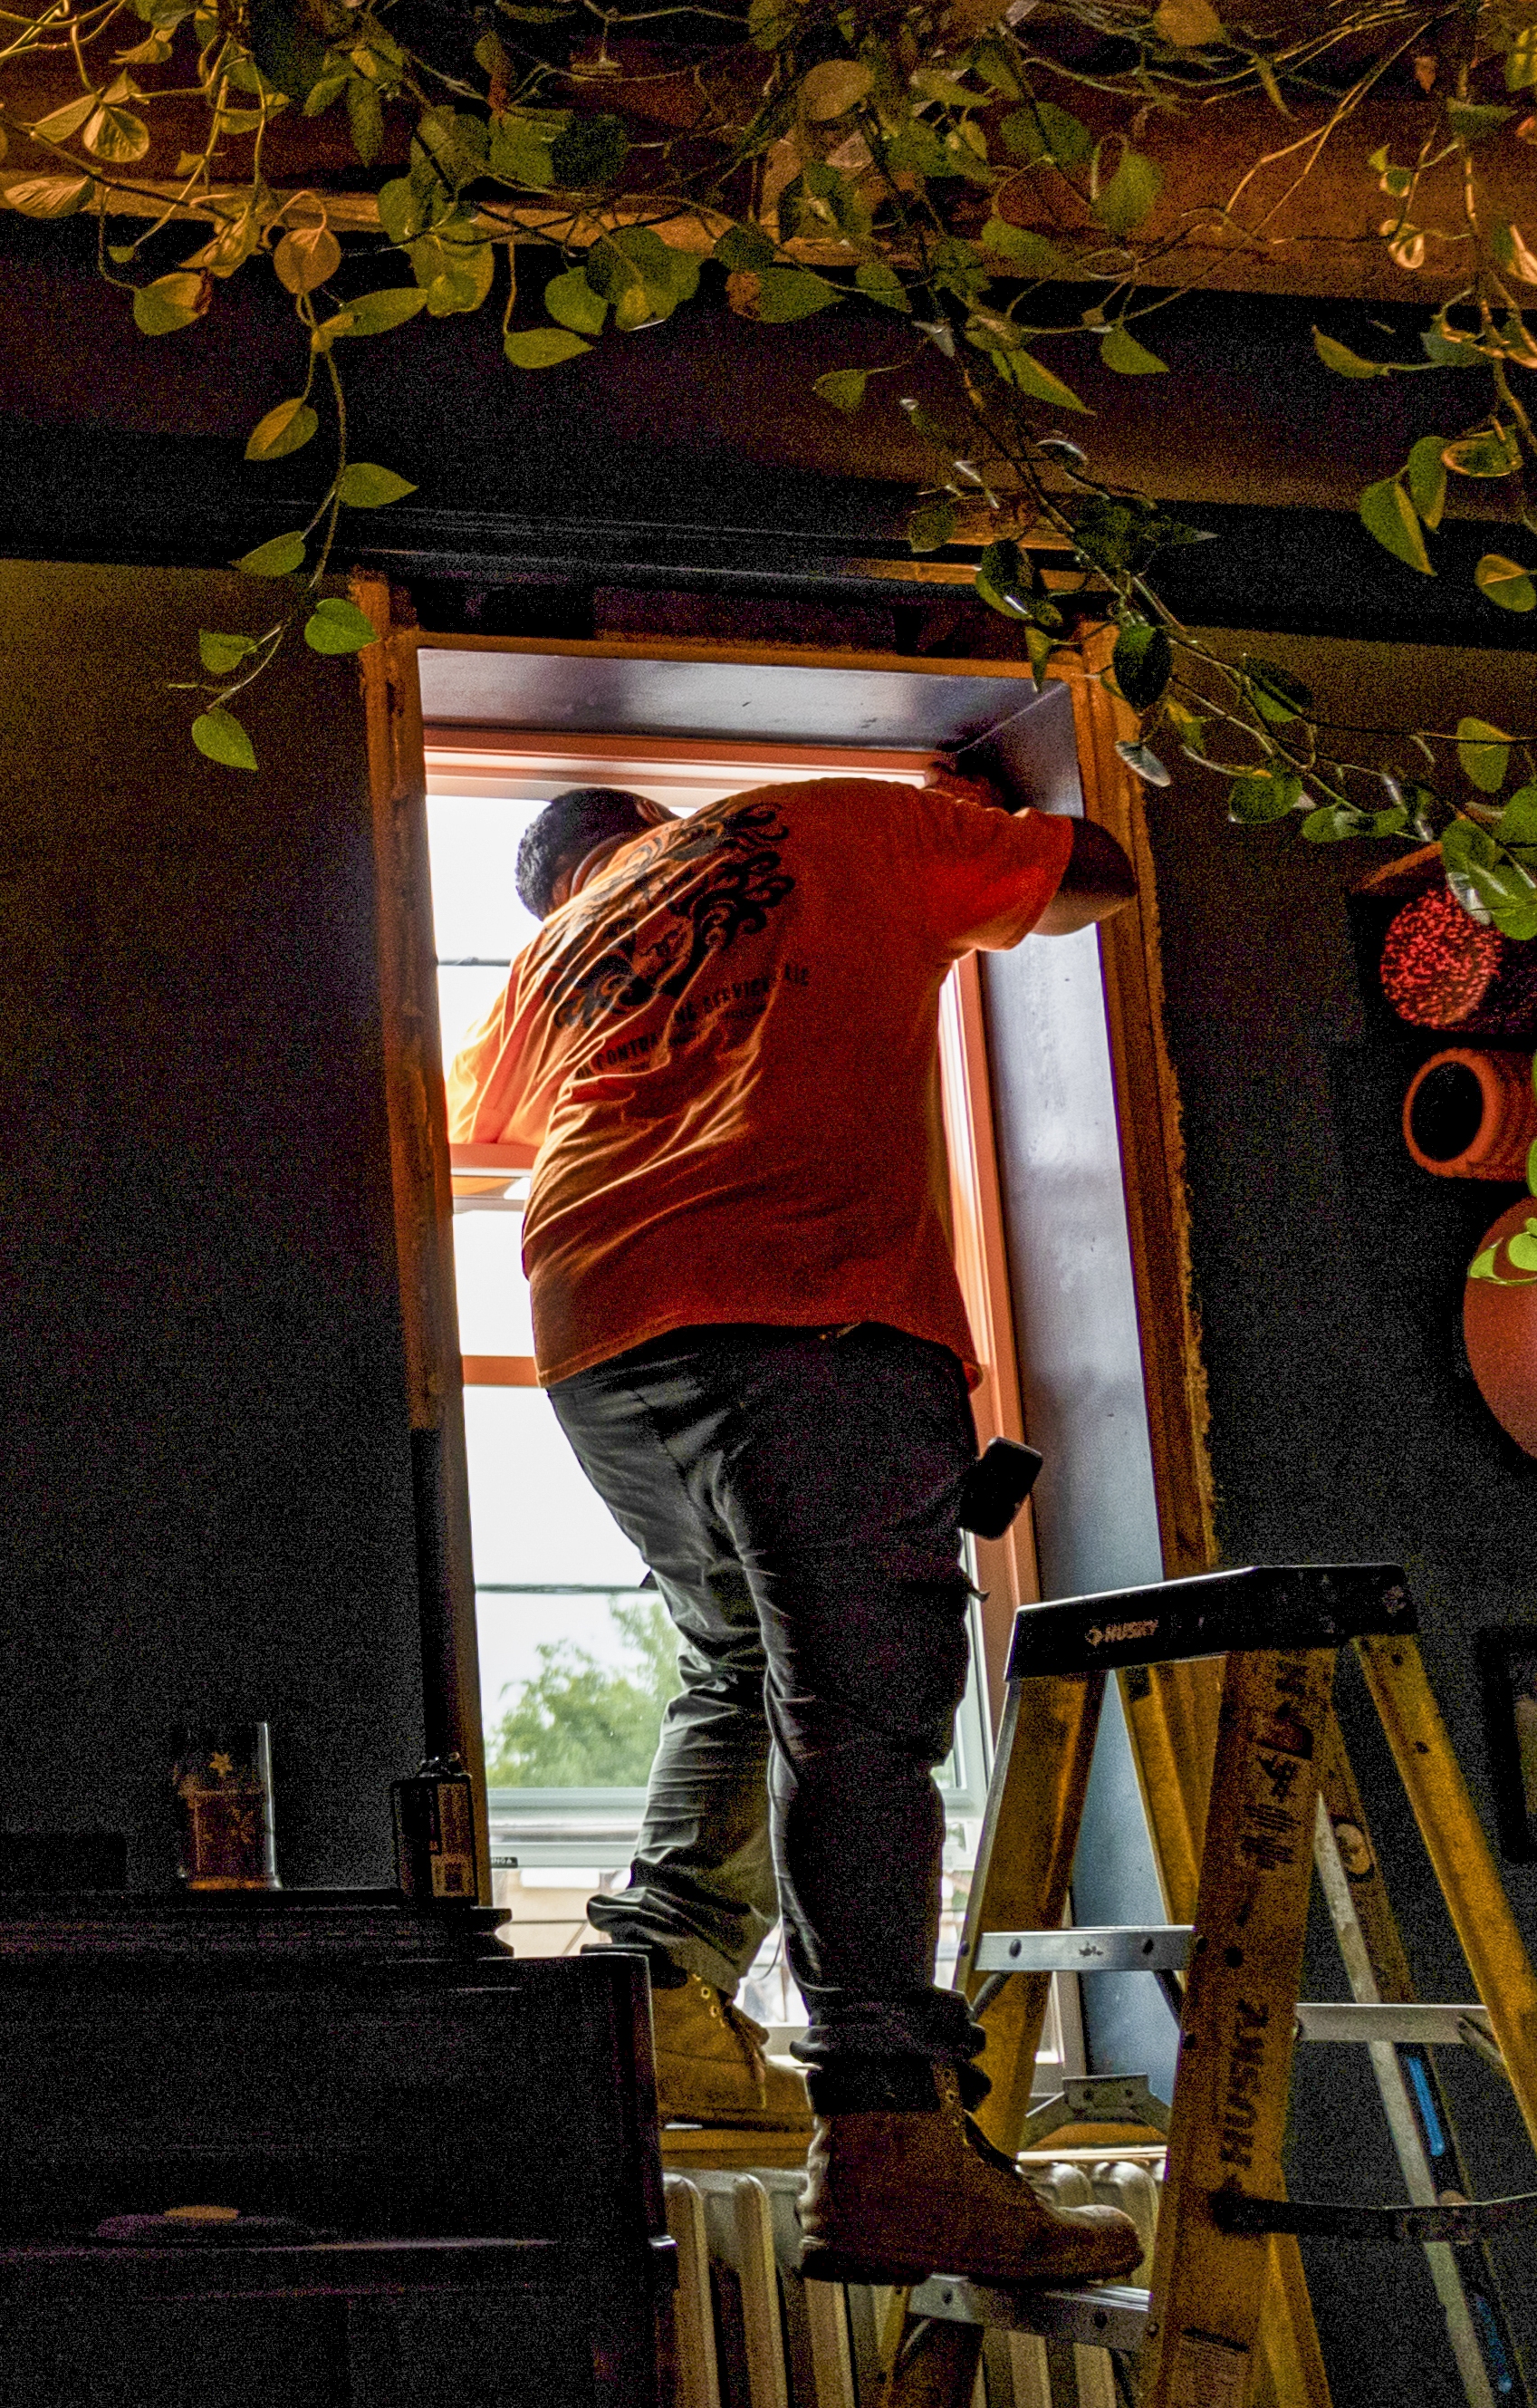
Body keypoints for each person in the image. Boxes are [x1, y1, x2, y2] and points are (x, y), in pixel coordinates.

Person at [446, 764, 1146, 2288]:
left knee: (736, 1664)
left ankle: (663, 1995)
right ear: (641, 827)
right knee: (861, 1706)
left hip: (599, 1322)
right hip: (808, 1294)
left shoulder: (546, 967)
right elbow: (1098, 870)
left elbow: (473, 1133)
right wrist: (950, 861)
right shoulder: (832, 814)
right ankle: (887, 2136)